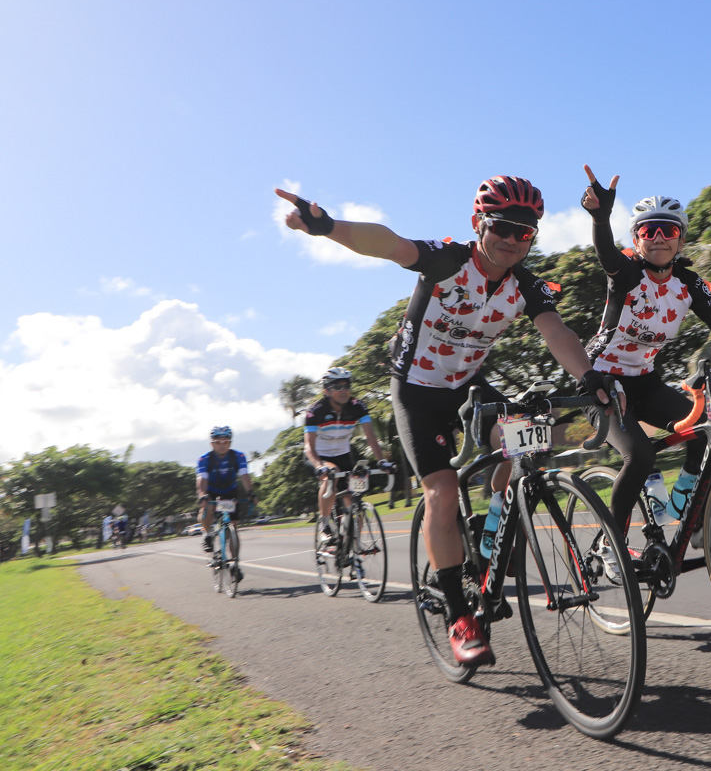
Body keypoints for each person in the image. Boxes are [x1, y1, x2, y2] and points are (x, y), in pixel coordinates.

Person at [276, 176, 614, 667]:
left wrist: (591, 378)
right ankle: (460, 615)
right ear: (479, 223)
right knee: (441, 489)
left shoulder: (526, 284)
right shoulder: (448, 260)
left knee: (528, 442)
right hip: (416, 390)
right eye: (502, 227)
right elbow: (387, 243)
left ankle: (492, 522)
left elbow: (556, 331)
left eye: (526, 233)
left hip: (466, 386)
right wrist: (327, 226)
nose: (513, 240)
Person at [580, 165, 711, 578]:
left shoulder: (689, 283)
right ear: (637, 240)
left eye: (668, 230)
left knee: (704, 423)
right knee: (641, 454)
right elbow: (606, 254)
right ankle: (612, 544)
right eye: (649, 231)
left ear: (681, 238)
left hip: (644, 380)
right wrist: (600, 218)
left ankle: (692, 520)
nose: (659, 238)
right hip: (602, 380)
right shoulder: (627, 272)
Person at [303, 366, 391, 546]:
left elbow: (370, 436)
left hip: (344, 456)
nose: (344, 391)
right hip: (319, 457)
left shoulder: (358, 407)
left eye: (347, 386)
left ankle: (351, 545)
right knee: (331, 476)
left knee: (354, 504)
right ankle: (325, 525)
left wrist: (382, 461)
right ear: (327, 391)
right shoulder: (315, 412)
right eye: (338, 387)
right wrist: (320, 467)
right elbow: (308, 447)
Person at [195, 426, 255, 552]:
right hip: (211, 489)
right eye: (218, 442)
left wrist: (250, 492)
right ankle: (207, 534)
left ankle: (235, 564)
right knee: (206, 507)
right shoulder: (204, 459)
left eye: (225, 442)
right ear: (212, 444)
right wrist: (202, 495)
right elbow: (202, 479)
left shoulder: (238, 456)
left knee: (233, 527)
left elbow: (244, 475)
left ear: (230, 443)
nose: (222, 445)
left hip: (230, 490)